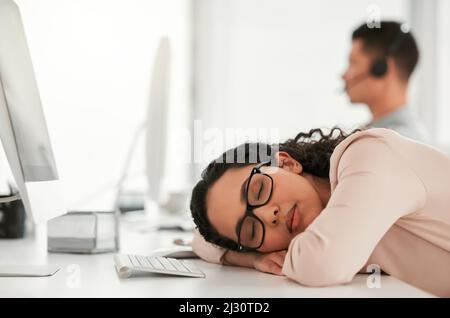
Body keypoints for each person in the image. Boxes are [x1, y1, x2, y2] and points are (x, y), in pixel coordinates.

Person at [190, 127, 450, 297]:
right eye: (249, 229)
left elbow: (323, 264)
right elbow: (200, 240)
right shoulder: (329, 225)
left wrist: (251, 253)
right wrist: (251, 259)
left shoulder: (369, 155)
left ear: (286, 163)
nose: (268, 215)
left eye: (258, 191)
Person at [342, 21, 430, 143]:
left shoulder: (398, 143)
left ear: (381, 68)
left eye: (353, 63)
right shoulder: (371, 134)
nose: (344, 75)